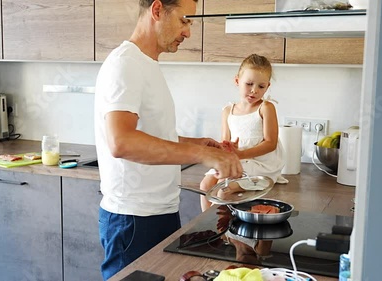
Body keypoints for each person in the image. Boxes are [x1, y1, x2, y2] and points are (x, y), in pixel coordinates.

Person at [93, 0, 243, 279]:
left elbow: (152, 134)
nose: (188, 32)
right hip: (133, 219)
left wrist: (197, 144)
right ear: (157, 10)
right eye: (184, 20)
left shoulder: (146, 64)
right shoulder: (125, 64)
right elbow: (121, 141)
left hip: (159, 212)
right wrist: (201, 156)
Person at [199, 54, 285, 212]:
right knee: (205, 185)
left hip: (260, 164)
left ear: (267, 86)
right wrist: (228, 147)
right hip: (237, 159)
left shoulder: (266, 108)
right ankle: (208, 226)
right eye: (249, 84)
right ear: (237, 81)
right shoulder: (227, 111)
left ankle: (219, 226)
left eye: (261, 86)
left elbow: (270, 143)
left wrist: (240, 154)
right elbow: (225, 141)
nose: (254, 90)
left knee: (224, 190)